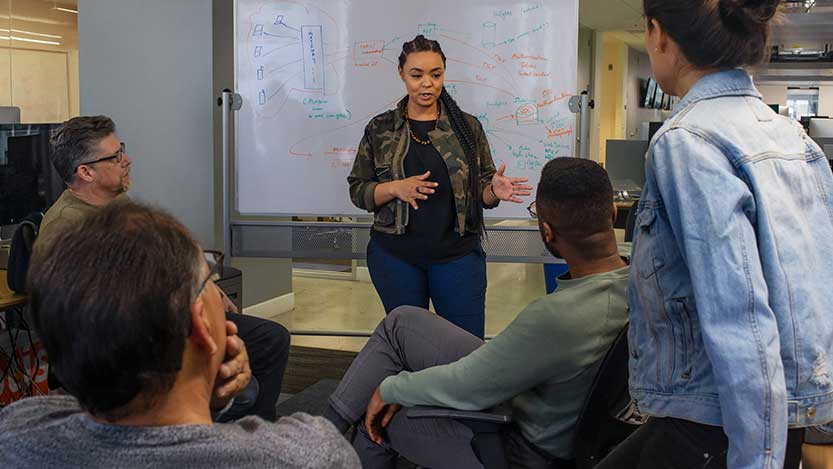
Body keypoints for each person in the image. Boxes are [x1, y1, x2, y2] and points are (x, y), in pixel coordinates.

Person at [598, 1, 833, 468]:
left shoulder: (687, 141)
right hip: (775, 418)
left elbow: (739, 319)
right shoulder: (794, 139)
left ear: (659, 34)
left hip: (718, 424)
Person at [0, 202, 359, 468]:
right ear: (200, 322)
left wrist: (202, 395)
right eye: (210, 278)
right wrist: (198, 389)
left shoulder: (17, 434)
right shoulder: (311, 455)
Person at [327, 158, 629, 468]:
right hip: (541, 394)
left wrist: (391, 389)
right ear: (612, 214)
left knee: (375, 419)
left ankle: (321, 452)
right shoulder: (638, 281)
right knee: (401, 323)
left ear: (547, 232)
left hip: (519, 444)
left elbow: (468, 386)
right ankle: (322, 432)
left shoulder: (555, 316)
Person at [38, 115, 291, 422]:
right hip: (131, 344)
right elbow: (86, 317)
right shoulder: (65, 228)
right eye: (115, 156)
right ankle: (194, 437)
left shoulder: (118, 205)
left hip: (166, 320)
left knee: (272, 339)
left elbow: (166, 259)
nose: (127, 160)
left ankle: (257, 436)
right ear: (86, 172)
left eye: (122, 150)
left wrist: (206, 287)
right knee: (244, 390)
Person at [347, 35, 532, 339]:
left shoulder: (467, 127)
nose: (427, 84)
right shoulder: (380, 129)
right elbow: (358, 190)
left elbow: (483, 189)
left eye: (436, 75)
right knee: (408, 344)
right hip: (395, 257)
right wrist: (395, 188)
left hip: (457, 257)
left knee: (464, 346)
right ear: (401, 74)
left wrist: (492, 190)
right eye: (416, 75)